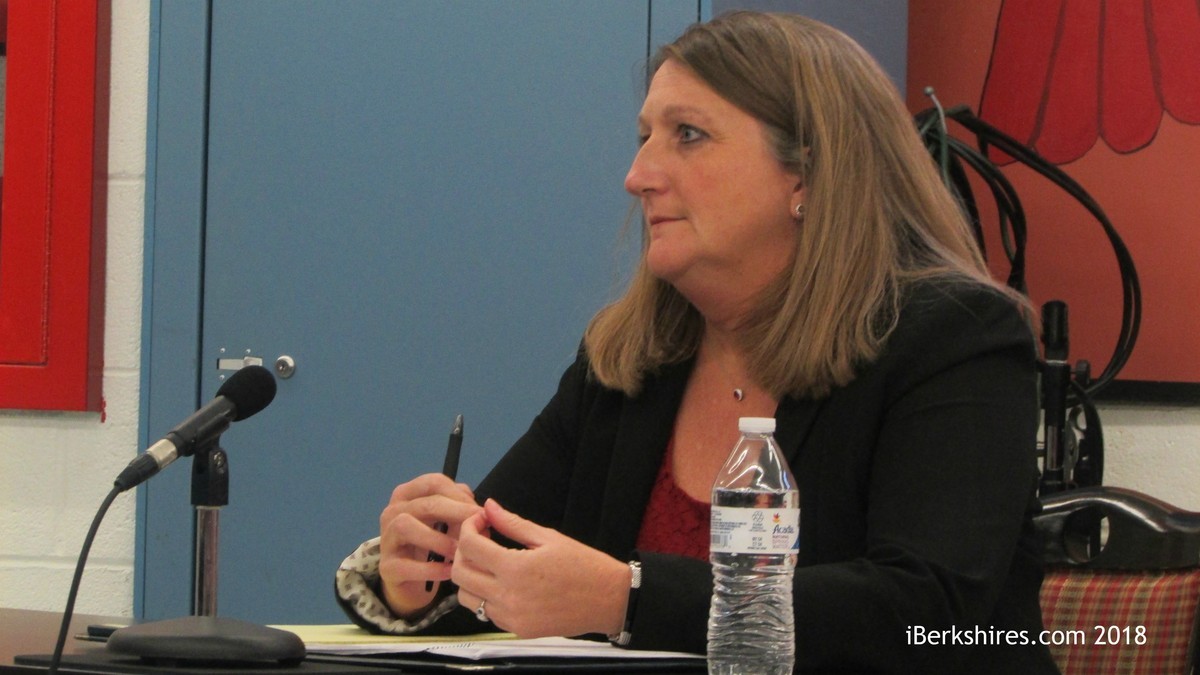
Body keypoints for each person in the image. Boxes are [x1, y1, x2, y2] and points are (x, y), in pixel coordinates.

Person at [335, 11, 1059, 673]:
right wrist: (418, 573)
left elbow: (928, 613)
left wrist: (628, 598)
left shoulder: (954, 339)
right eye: (644, 138)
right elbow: (509, 567)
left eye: (687, 134)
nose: (638, 177)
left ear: (807, 173)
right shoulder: (628, 363)